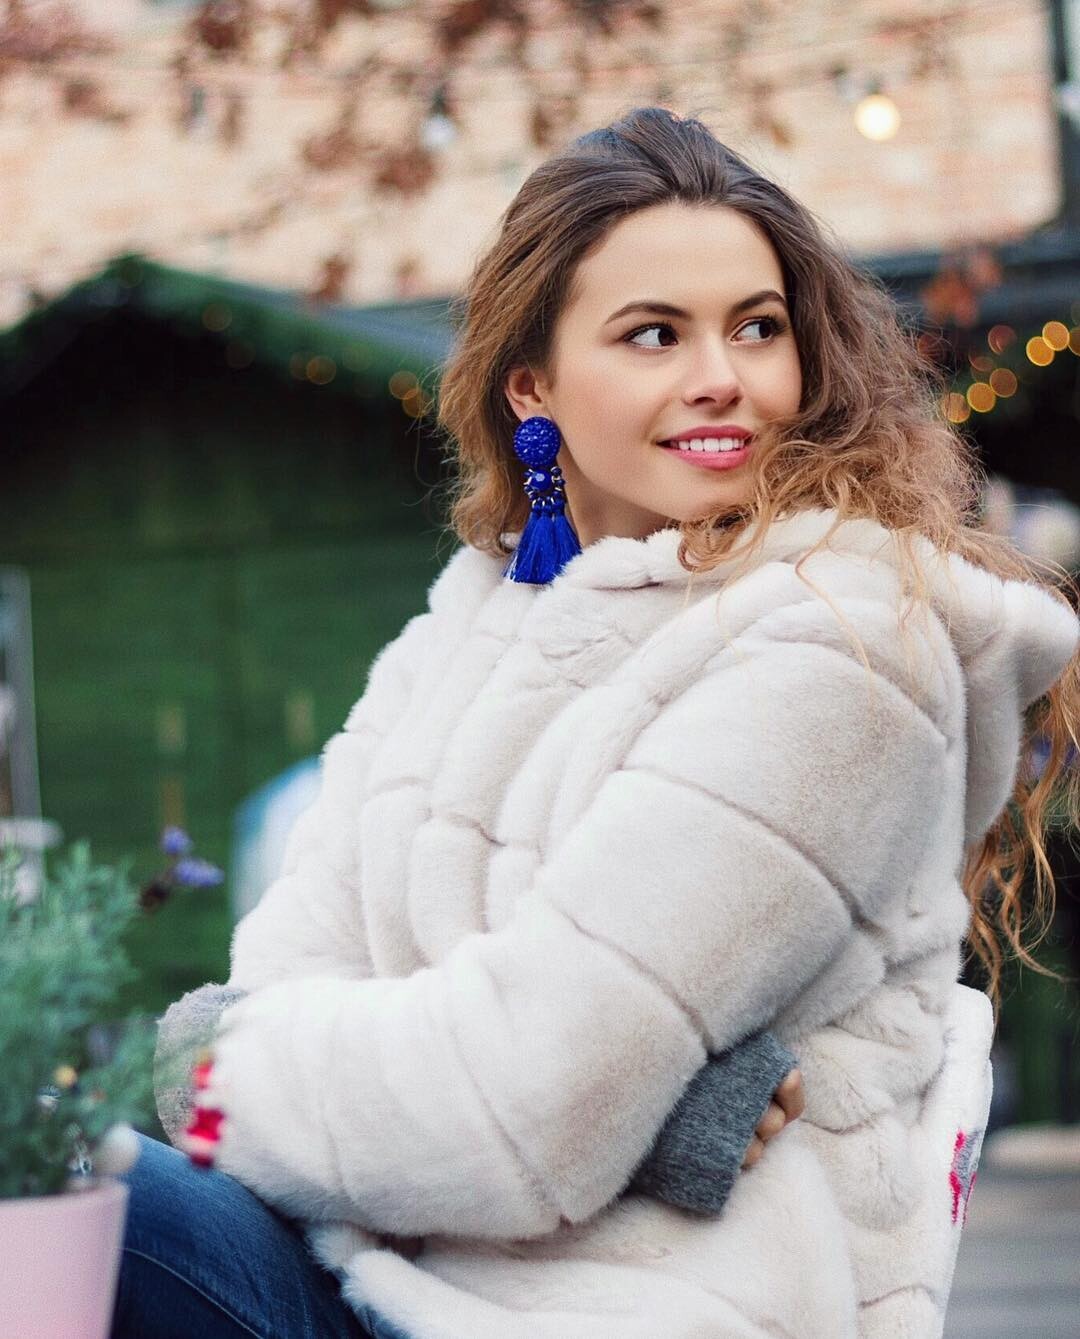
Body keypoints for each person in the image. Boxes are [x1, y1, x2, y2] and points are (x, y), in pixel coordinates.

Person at [114, 106, 1079, 1339]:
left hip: (631, 1315)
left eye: (758, 328)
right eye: (654, 333)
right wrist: (648, 1109)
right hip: (371, 1272)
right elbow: (296, 976)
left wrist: (215, 1067)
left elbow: (520, 1108)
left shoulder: (841, 650)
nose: (721, 375)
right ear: (534, 384)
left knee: (73, 1197)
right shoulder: (471, 623)